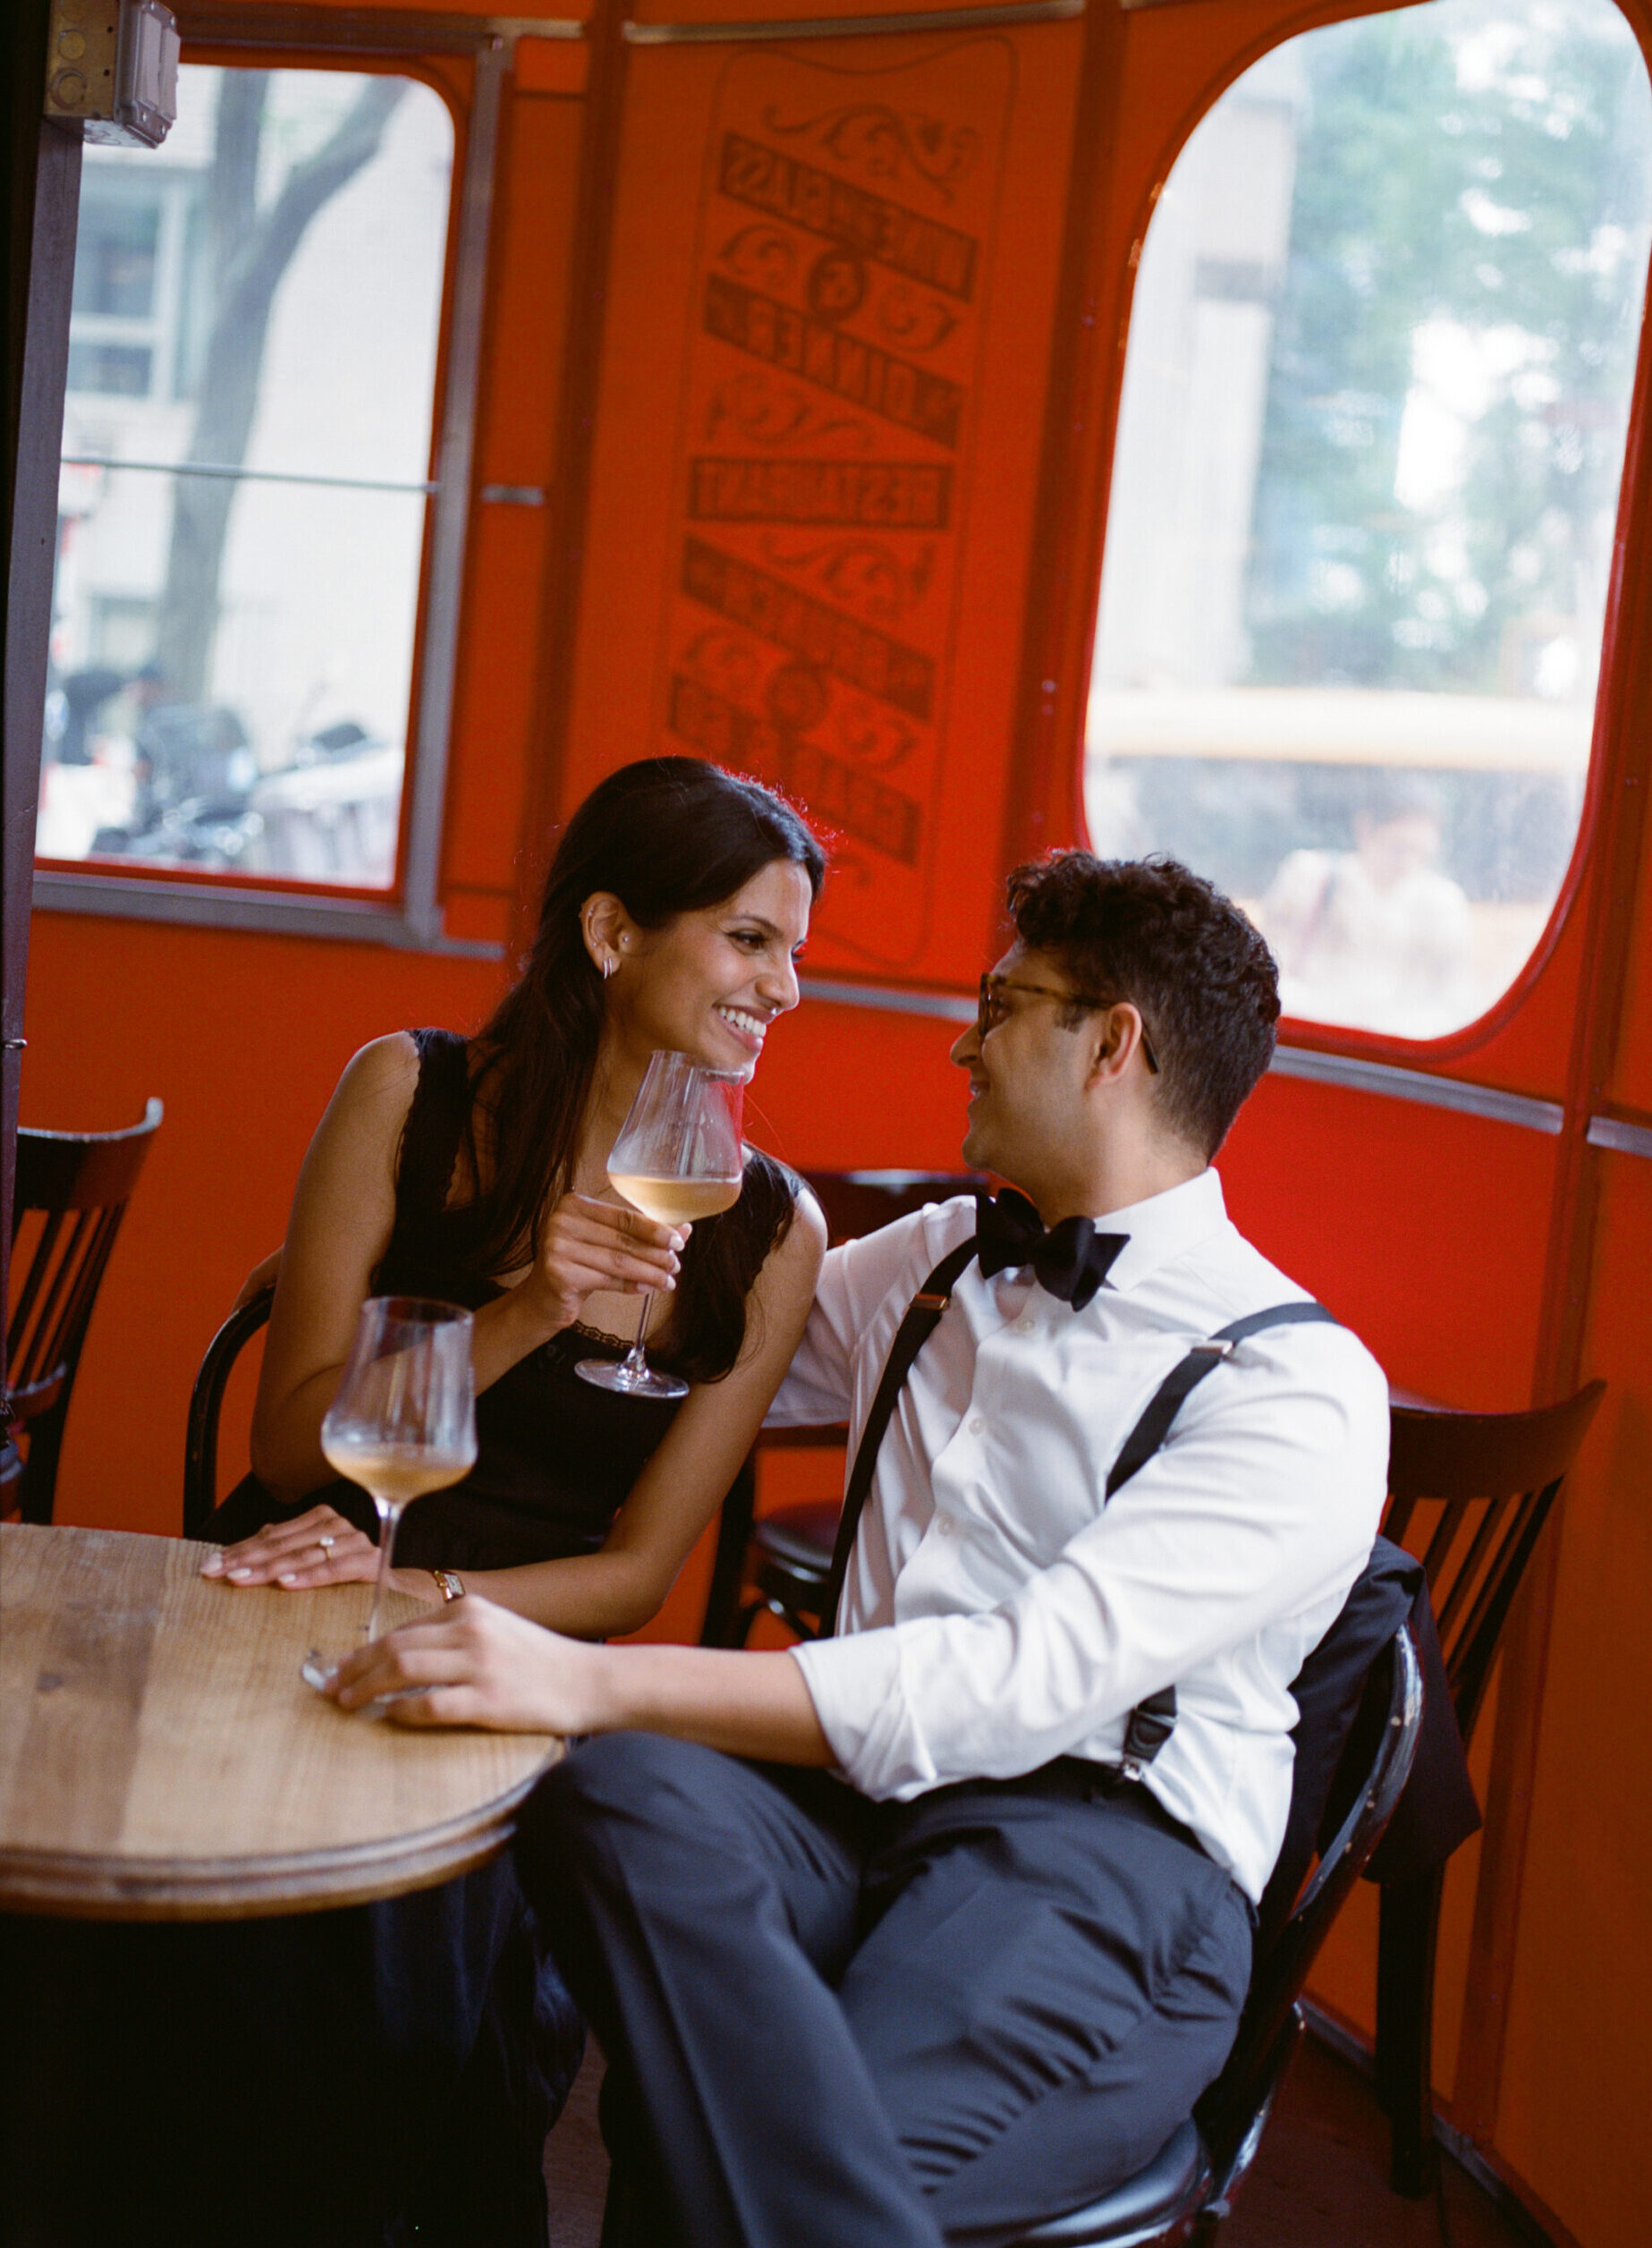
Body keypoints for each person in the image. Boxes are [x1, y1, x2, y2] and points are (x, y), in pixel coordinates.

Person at [327, 851, 1391, 2248]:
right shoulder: (934, 1258)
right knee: (616, 1793)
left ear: (1111, 1045)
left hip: (1095, 1862)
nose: (962, 1042)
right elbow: (670, 1358)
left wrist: (585, 1673)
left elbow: (1008, 1683)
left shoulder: (1290, 1382)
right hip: (842, 1821)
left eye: (1000, 1006)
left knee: (735, 2129)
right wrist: (383, 1298)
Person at [12, 758, 827, 2248]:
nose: (782, 986)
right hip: (287, 1575)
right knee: (166, 1912)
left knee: (401, 1967)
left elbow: (636, 1574)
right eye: (748, 938)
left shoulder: (768, 1231)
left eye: (792, 951)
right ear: (610, 932)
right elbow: (287, 1450)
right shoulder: (408, 1088)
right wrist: (525, 1308)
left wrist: (422, 1600)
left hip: (505, 1640)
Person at [1258, 772, 1475, 1035]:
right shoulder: (1311, 878)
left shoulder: (1442, 906)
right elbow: (1269, 975)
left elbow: (1452, 1001)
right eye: (1398, 849)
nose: (1407, 864)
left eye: (1421, 853)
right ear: (1365, 829)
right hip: (1312, 1035)